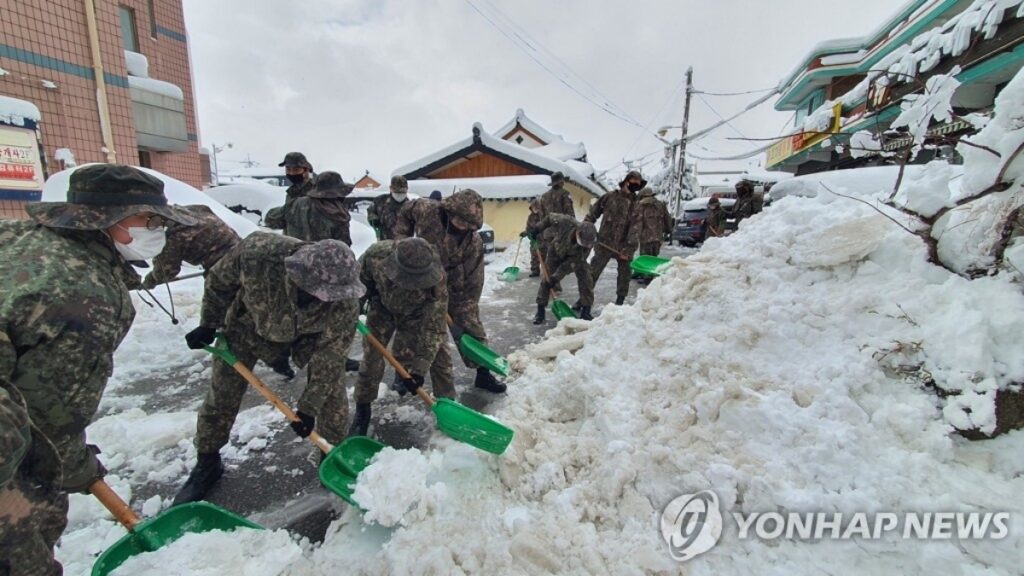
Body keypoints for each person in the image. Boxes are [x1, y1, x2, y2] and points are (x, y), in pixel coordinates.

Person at [0, 164, 196, 575]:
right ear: (112, 220)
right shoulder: (84, 292)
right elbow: (50, 415)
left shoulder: (20, 239)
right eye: (150, 219)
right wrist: (73, 465)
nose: (158, 229)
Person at [173, 235, 364, 505]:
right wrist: (209, 322)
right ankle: (207, 461)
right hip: (246, 328)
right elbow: (219, 281)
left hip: (305, 337)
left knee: (331, 393)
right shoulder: (258, 253)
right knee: (222, 394)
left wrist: (308, 407)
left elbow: (330, 357)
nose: (328, 300)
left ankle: (331, 453)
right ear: (302, 276)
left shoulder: (345, 298)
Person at [393, 189, 505, 393]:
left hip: (452, 280)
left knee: (472, 324)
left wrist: (467, 308)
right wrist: (403, 239)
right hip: (419, 272)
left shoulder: (473, 242)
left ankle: (483, 374)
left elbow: (474, 281)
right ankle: (402, 372)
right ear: (450, 211)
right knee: (411, 323)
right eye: (460, 221)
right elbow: (405, 211)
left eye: (469, 224)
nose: (463, 226)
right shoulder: (428, 210)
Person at [348, 239, 452, 437]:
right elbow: (359, 287)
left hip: (417, 311)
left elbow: (434, 328)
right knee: (371, 358)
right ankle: (363, 409)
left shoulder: (437, 277)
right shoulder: (375, 256)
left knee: (440, 353)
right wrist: (353, 308)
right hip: (382, 307)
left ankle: (448, 403)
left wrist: (419, 370)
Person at [141, 204, 240, 289]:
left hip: (226, 267)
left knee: (217, 303)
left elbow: (165, 273)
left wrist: (146, 284)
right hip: (244, 249)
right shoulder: (190, 211)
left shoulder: (173, 237)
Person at [586, 169, 642, 306]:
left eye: (638, 184)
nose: (636, 186)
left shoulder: (636, 204)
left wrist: (628, 250)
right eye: (633, 182)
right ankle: (583, 298)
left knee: (625, 275)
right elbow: (593, 213)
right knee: (592, 272)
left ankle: (620, 301)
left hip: (623, 247)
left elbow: (636, 228)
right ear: (626, 182)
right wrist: (586, 228)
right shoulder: (609, 197)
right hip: (604, 242)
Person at [529, 214, 597, 324]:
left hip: (574, 259)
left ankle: (586, 311)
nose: (585, 245)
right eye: (583, 242)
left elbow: (569, 265)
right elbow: (549, 218)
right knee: (546, 280)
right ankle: (540, 311)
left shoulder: (585, 247)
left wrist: (556, 278)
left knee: (586, 277)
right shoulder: (566, 221)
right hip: (555, 252)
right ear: (578, 233)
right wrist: (537, 229)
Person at [281, 171, 353, 245]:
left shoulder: (296, 204)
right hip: (323, 255)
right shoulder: (339, 215)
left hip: (295, 254)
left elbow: (271, 219)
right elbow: (343, 246)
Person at [264, 152, 315, 230]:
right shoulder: (292, 191)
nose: (291, 173)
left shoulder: (315, 190)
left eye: (296, 170)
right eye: (288, 169)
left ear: (305, 170)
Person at [630, 186, 673, 258]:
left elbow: (637, 224)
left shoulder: (640, 205)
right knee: (654, 259)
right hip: (658, 239)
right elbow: (668, 221)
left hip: (645, 240)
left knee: (645, 260)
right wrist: (667, 232)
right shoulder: (661, 205)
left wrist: (633, 239)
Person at [367, 175, 411, 240]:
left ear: (407, 189)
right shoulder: (380, 201)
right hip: (385, 242)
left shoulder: (410, 205)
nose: (400, 194)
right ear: (390, 188)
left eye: (402, 192)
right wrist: (373, 219)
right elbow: (370, 211)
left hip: (404, 243)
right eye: (397, 191)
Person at [525, 199, 542, 277]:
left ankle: (548, 271)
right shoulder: (530, 217)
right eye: (533, 207)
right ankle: (535, 270)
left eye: (536, 207)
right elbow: (528, 228)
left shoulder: (543, 216)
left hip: (543, 240)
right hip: (534, 240)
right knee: (534, 256)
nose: (535, 209)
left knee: (545, 256)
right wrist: (526, 233)